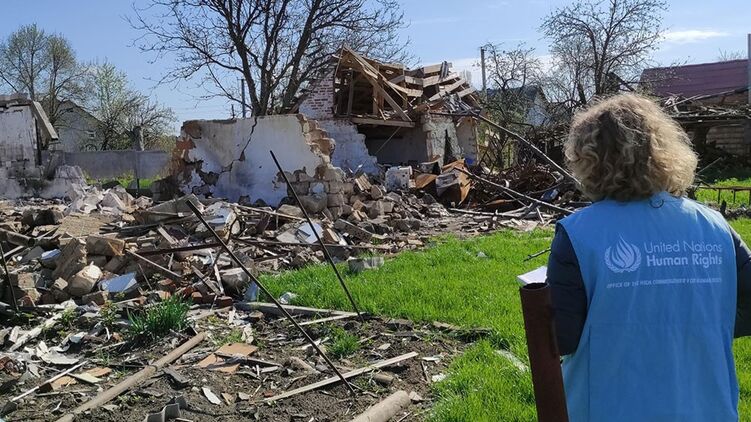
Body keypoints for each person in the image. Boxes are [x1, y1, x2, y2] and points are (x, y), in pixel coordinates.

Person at [546, 93, 751, 421]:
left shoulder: (577, 234)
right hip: (706, 408)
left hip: (608, 409)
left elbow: (563, 338)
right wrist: (692, 326)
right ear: (664, 150)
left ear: (587, 159)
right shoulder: (716, 227)